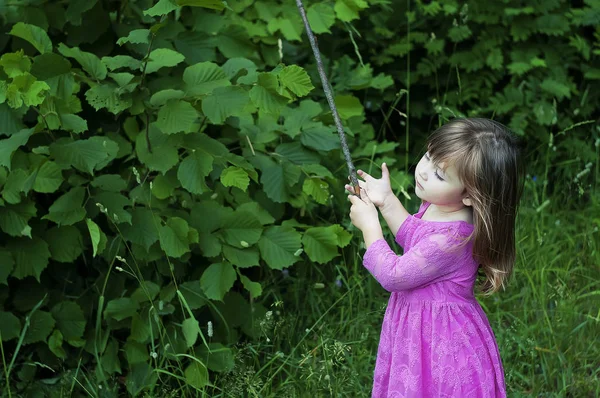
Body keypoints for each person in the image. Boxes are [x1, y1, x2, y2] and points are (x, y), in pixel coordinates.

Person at [346, 118, 523, 397]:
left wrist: (370, 227)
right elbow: (413, 236)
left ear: (470, 196)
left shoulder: (453, 238)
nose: (425, 172)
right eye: (428, 156)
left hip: (444, 344)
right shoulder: (441, 206)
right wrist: (386, 200)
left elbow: (395, 275)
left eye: (440, 175)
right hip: (421, 332)